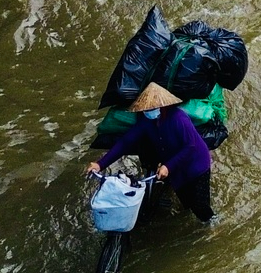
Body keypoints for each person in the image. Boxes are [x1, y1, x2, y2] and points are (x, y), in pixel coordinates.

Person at [87, 83, 215, 223]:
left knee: (201, 208)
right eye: (147, 109)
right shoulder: (146, 121)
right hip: (175, 167)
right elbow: (126, 142)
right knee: (186, 202)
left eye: (153, 108)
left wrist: (168, 166)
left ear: (162, 106)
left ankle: (212, 224)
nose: (149, 111)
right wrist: (100, 164)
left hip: (196, 165)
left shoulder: (178, 118)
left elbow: (190, 146)